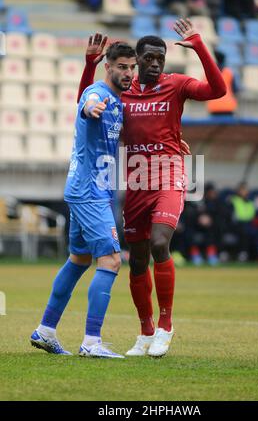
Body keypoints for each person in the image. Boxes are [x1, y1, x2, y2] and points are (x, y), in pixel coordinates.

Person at [77, 19, 226, 357]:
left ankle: (165, 326)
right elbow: (83, 101)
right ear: (137, 59)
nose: (156, 64)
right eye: (149, 58)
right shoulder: (122, 90)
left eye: (160, 58)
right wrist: (90, 65)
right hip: (136, 178)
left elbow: (217, 91)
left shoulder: (175, 85)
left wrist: (200, 46)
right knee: (138, 260)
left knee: (161, 242)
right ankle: (144, 332)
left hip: (169, 172)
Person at [30, 41, 136, 358]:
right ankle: (91, 342)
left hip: (91, 189)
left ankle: (46, 331)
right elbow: (88, 101)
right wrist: (91, 106)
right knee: (112, 261)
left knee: (79, 260)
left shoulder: (119, 100)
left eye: (132, 67)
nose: (128, 73)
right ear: (109, 67)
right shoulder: (99, 95)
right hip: (90, 192)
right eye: (122, 67)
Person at [207, 51, 239, 115]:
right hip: (228, 106)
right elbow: (235, 89)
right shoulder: (229, 72)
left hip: (214, 106)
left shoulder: (209, 73)